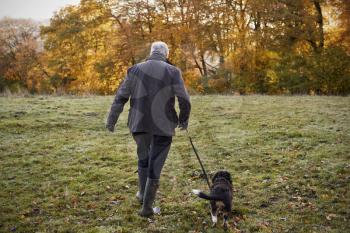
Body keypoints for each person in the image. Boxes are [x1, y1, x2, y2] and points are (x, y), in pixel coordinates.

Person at [106, 41, 191, 217]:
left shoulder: (134, 70)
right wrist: (183, 120)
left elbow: (120, 97)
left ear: (152, 52)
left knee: (143, 157)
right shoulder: (173, 71)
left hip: (138, 124)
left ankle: (142, 194)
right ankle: (146, 208)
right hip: (163, 126)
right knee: (155, 164)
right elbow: (184, 99)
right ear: (166, 54)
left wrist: (111, 120)